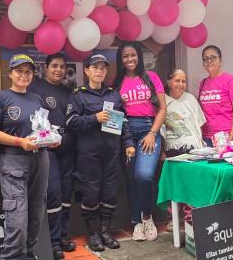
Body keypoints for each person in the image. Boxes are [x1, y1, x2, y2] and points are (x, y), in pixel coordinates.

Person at [0, 54, 60, 260]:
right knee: (17, 222)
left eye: (28, 72)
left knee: (35, 216)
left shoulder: (36, 99)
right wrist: (19, 142)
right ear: (10, 73)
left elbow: (42, 129)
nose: (24, 75)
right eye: (19, 71)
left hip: (40, 159)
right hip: (13, 160)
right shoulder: (0, 98)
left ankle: (28, 256)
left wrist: (51, 138)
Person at [67, 53, 135, 251]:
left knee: (110, 193)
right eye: (95, 67)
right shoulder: (78, 95)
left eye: (103, 68)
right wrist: (94, 118)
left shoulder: (113, 94)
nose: (99, 71)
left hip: (112, 153)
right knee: (90, 195)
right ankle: (93, 234)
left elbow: (123, 121)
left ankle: (105, 231)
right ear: (87, 70)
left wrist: (129, 143)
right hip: (89, 156)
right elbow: (71, 122)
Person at [114, 42, 166, 241]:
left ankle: (147, 216)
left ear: (139, 56)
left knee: (144, 175)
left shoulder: (151, 77)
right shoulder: (117, 82)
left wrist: (153, 133)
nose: (129, 59)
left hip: (148, 130)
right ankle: (136, 222)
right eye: (125, 56)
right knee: (132, 180)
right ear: (120, 59)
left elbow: (162, 108)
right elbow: (116, 114)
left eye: (133, 55)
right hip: (127, 133)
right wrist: (125, 140)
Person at [27, 53, 76, 260]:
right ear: (45, 68)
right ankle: (53, 242)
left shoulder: (69, 91)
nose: (58, 70)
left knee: (66, 193)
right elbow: (35, 122)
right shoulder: (35, 89)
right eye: (54, 66)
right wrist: (48, 137)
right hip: (49, 148)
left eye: (62, 67)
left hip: (69, 147)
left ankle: (64, 236)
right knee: (54, 192)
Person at [161, 69, 206, 232]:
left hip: (193, 149)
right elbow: (160, 128)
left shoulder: (191, 99)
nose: (180, 84)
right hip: (173, 149)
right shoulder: (163, 101)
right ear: (169, 82)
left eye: (183, 81)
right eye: (177, 81)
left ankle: (190, 217)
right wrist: (161, 151)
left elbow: (198, 124)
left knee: (191, 184)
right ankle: (172, 218)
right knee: (176, 183)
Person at [198, 45, 233, 146]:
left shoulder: (230, 80)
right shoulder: (203, 83)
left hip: (225, 135)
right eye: (206, 59)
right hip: (206, 137)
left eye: (213, 57)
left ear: (220, 60)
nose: (209, 61)